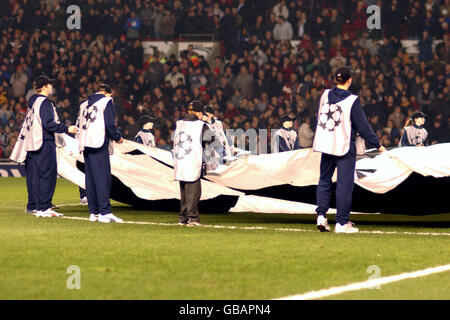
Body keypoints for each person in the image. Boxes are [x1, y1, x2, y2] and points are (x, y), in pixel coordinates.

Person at [313, 67, 385, 233]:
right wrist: (377, 144)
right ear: (349, 80)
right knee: (344, 185)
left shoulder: (325, 94)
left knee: (324, 180)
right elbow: (363, 127)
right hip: (344, 146)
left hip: (326, 144)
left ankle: (321, 216)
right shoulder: (352, 100)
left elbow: (319, 116)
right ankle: (341, 223)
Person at [10, 75, 78, 217]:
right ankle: (44, 207)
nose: (51, 87)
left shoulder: (32, 103)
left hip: (30, 144)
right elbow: (48, 124)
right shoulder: (45, 103)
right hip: (43, 142)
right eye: (49, 85)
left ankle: (33, 205)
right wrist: (67, 129)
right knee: (47, 174)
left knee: (33, 176)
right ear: (44, 87)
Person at [76, 84, 124, 223]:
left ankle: (94, 212)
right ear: (108, 93)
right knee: (103, 178)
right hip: (98, 143)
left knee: (90, 179)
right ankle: (104, 212)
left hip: (85, 144)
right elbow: (110, 124)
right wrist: (117, 137)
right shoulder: (106, 101)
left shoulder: (84, 104)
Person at [172, 100, 208, 226]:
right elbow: (212, 139)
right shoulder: (200, 126)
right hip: (192, 161)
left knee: (184, 192)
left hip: (180, 161)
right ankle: (193, 218)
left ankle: (183, 218)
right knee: (194, 192)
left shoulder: (179, 124)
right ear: (199, 113)